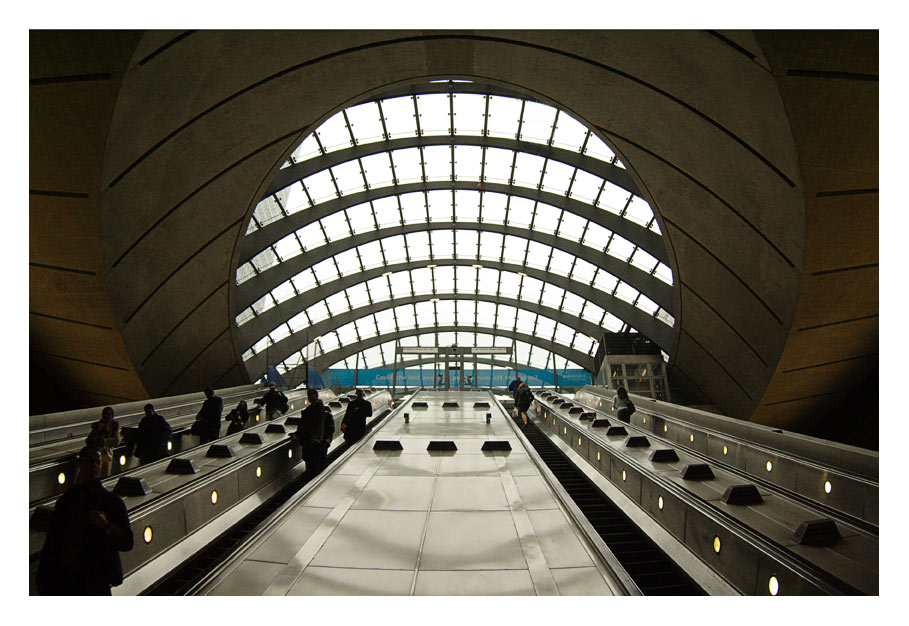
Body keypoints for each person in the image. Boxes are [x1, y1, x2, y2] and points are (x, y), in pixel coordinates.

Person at [37, 446, 134, 595]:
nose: (94, 465)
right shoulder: (67, 501)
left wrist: (107, 526)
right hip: (68, 579)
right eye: (90, 461)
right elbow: (53, 541)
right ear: (80, 464)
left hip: (96, 580)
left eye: (98, 462)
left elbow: (128, 542)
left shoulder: (112, 502)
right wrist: (43, 578)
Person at [294, 388, 326, 480]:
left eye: (311, 395)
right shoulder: (317, 408)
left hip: (311, 441)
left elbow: (311, 424)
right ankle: (312, 478)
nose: (309, 397)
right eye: (308, 395)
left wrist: (313, 436)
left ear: (316, 395)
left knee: (311, 463)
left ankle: (311, 479)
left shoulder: (315, 408)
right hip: (312, 441)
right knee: (313, 463)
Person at [85, 406, 120, 478]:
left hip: (106, 454)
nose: (105, 416)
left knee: (105, 474)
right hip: (96, 453)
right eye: (104, 414)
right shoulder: (97, 426)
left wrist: (104, 441)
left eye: (108, 414)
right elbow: (89, 440)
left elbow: (116, 441)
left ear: (112, 416)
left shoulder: (114, 425)